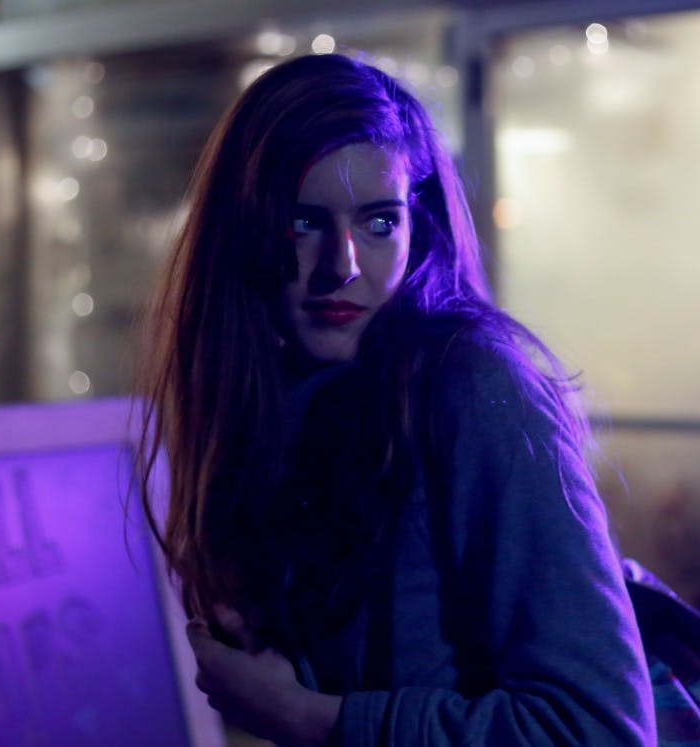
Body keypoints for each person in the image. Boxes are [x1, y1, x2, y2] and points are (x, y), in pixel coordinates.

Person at [135, 53, 656, 745]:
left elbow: (601, 730)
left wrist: (309, 717)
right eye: (302, 222)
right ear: (245, 231)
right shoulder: (272, 400)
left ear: (421, 226)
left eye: (380, 222)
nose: (342, 266)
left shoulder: (469, 388)